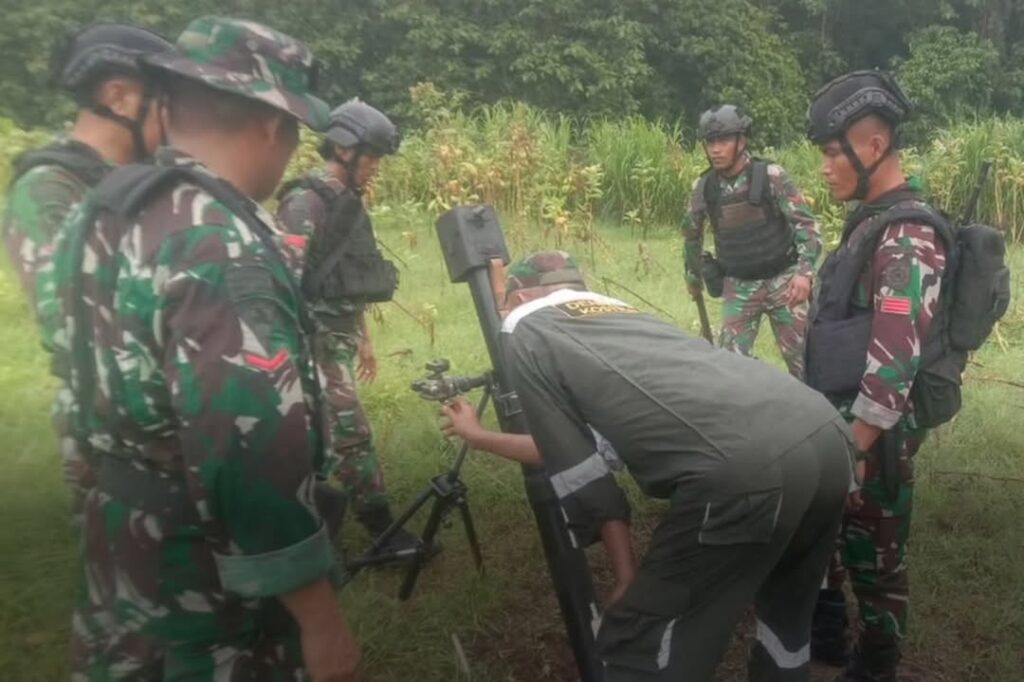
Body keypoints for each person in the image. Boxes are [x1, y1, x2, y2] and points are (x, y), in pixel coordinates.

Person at [53, 16, 358, 680]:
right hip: (204, 595)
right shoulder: (219, 241)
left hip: (118, 562)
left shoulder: (99, 210)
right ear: (274, 125)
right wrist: (319, 618)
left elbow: (71, 372)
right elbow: (248, 447)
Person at [442, 250, 854, 681]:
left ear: (521, 297)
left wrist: (626, 575)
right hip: (824, 433)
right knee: (787, 613)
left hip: (747, 466)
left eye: (505, 304)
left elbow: (580, 472)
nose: (504, 313)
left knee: (638, 641)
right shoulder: (619, 317)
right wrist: (479, 436)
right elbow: (586, 443)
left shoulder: (523, 327)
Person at [804, 71, 950, 682]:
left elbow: (895, 361)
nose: (824, 167)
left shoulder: (908, 235)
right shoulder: (871, 220)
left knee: (877, 556)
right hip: (842, 417)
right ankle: (828, 629)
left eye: (833, 153)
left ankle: (877, 660)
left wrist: (855, 448)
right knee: (830, 535)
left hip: (875, 433)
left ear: (872, 148)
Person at [2, 22, 174, 525]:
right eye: (166, 102)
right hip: (111, 433)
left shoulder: (134, 182)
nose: (174, 121)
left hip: (166, 416)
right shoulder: (48, 189)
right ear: (119, 97)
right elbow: (72, 323)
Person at [276, 99, 417, 551]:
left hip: (337, 336)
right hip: (310, 342)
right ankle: (383, 532)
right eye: (372, 157)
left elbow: (347, 278)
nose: (375, 167)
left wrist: (365, 339)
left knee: (323, 437)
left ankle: (311, 525)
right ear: (343, 149)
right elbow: (285, 283)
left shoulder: (346, 202)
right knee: (350, 434)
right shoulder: (304, 204)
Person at [683, 105, 821, 377]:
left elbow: (806, 225)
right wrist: (693, 278)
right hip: (739, 286)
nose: (715, 149)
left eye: (723, 140)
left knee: (807, 364)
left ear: (741, 140)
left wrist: (804, 274)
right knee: (729, 368)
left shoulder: (771, 176)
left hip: (785, 283)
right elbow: (691, 235)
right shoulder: (704, 187)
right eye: (710, 142)